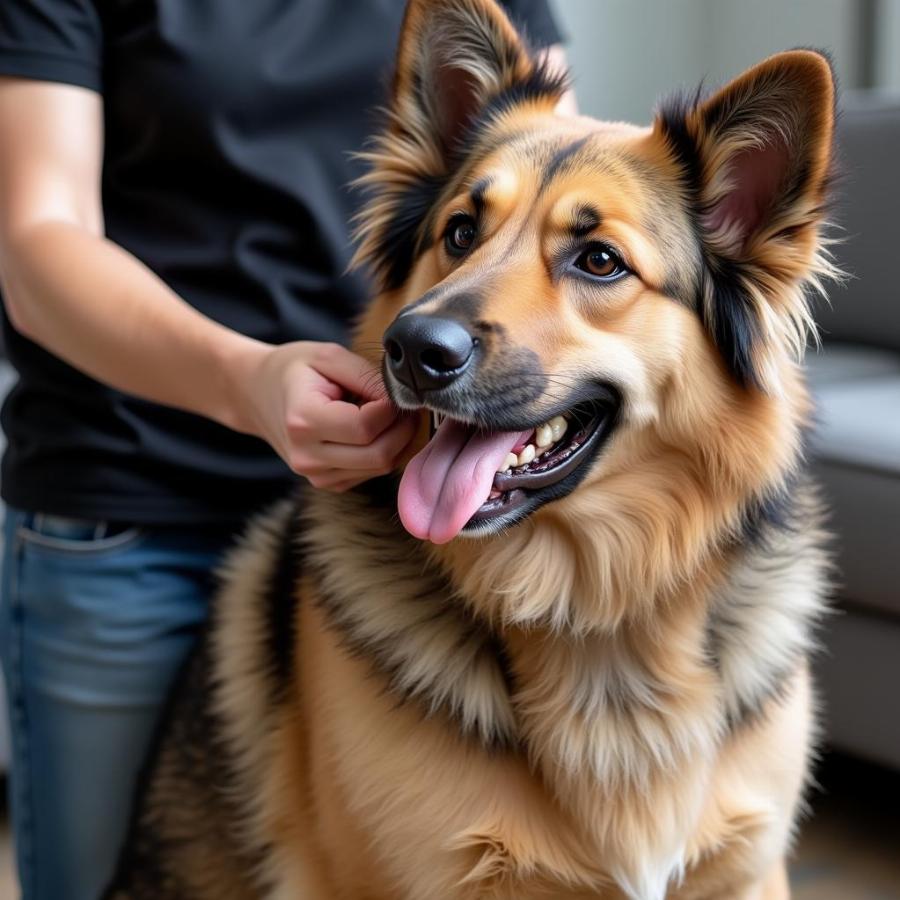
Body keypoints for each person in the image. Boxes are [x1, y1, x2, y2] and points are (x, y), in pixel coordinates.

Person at [0, 1, 568, 898]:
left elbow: (547, 182)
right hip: (134, 507)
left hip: (396, 528)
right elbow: (37, 243)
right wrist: (245, 381)